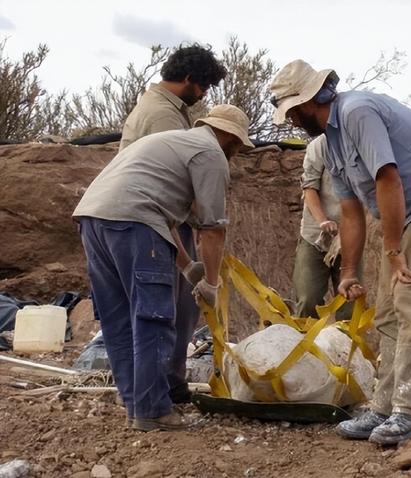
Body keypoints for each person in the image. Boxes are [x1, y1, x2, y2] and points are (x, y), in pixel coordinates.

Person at [270, 60, 411, 445]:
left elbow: (388, 177)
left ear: (307, 100)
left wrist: (394, 248)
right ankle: (385, 407)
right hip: (407, 210)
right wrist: (349, 271)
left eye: (293, 112)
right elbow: (351, 210)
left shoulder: (357, 111)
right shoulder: (329, 143)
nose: (293, 121)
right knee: (387, 311)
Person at [73, 105, 253, 431]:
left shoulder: (169, 143)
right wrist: (211, 284)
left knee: (119, 320)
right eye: (239, 145)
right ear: (228, 136)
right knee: (153, 317)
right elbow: (212, 229)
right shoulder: (211, 152)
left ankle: (135, 404)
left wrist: (187, 268)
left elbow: (164, 217)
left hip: (92, 220)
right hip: (135, 225)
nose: (237, 153)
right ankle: (154, 410)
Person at [119, 43, 226, 404]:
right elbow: (169, 179)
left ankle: (149, 389)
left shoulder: (159, 107)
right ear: (188, 78)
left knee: (170, 303)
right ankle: (164, 387)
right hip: (156, 217)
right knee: (170, 306)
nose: (204, 94)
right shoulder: (164, 116)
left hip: (146, 214)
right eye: (204, 86)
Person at [292, 134, 360, 320]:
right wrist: (322, 220)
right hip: (314, 235)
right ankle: (306, 346)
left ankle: (346, 347)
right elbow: (309, 187)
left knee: (350, 303)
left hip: (350, 235)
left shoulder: (365, 143)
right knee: (308, 298)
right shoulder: (320, 145)